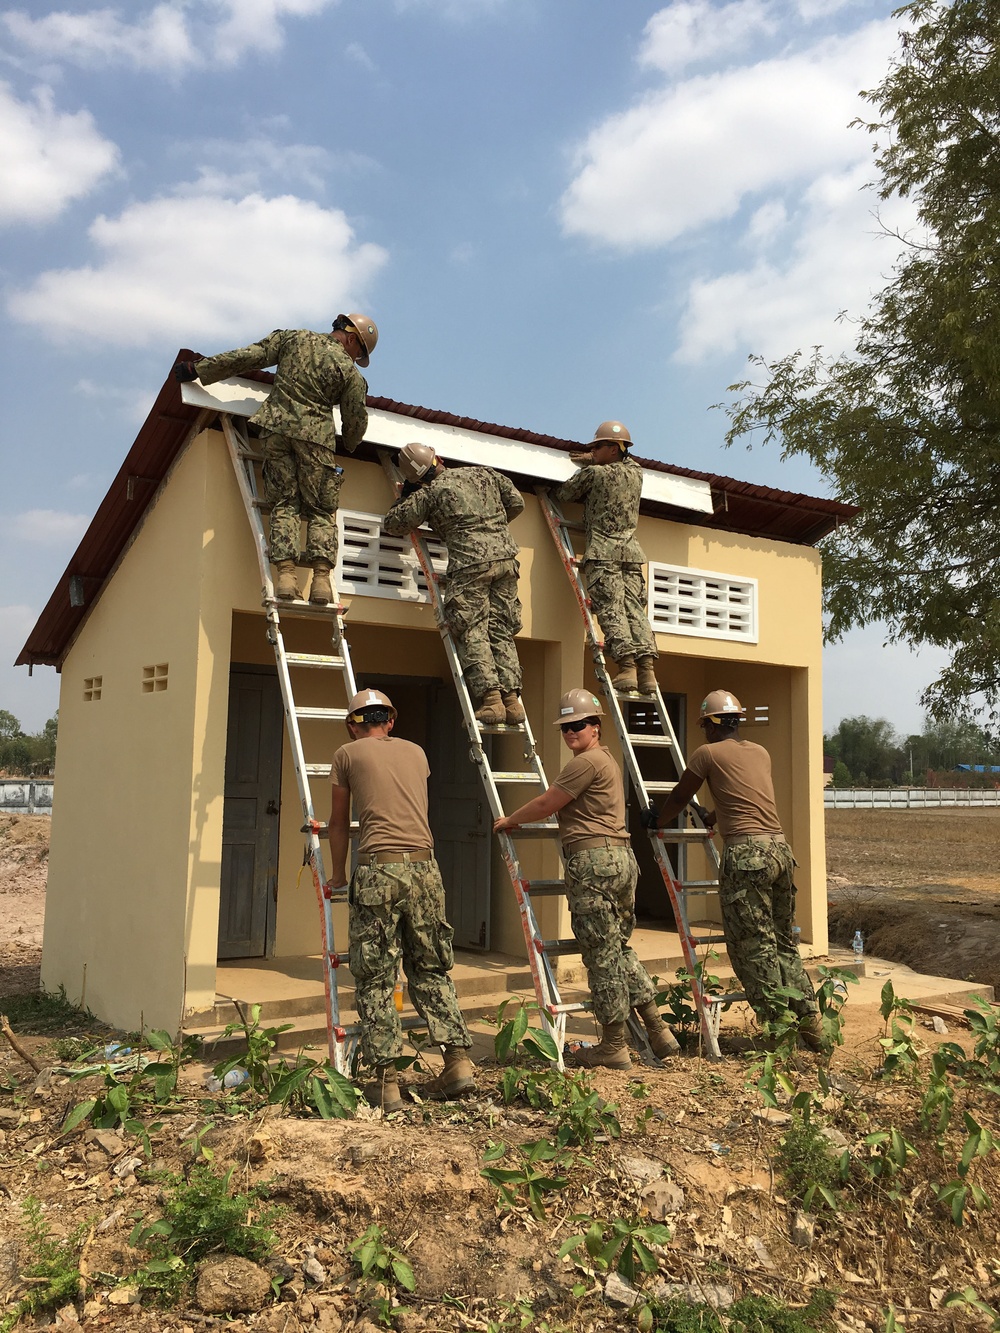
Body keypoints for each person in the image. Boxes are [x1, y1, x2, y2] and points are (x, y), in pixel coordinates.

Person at [493, 688, 680, 1068]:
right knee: (617, 948)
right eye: (566, 727)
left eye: (578, 725)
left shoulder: (585, 763)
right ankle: (659, 1031)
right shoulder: (606, 759)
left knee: (600, 954)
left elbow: (549, 803)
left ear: (596, 726)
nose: (570, 732)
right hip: (620, 859)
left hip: (594, 862)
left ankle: (613, 1044)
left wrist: (511, 819)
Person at [643, 689, 822, 1049]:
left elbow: (680, 796)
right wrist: (713, 815)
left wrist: (656, 820)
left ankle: (778, 1031)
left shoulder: (707, 753)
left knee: (753, 946)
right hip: (779, 851)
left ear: (710, 725)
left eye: (704, 725)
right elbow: (745, 797)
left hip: (747, 857)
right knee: (784, 941)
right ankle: (811, 1024)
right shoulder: (760, 752)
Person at [327, 688, 476, 1112]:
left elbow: (339, 823)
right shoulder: (417, 753)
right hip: (426, 870)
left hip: (379, 869)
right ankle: (458, 1062)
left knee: (375, 976)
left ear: (353, 724)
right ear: (390, 721)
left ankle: (386, 1081)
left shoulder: (346, 754)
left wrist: (338, 874)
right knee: (430, 967)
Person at [174, 313, 378, 605]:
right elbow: (355, 424)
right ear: (351, 338)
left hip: (275, 430)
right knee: (320, 510)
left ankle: (285, 576)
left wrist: (198, 369)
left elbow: (248, 356)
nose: (357, 357)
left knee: (284, 503)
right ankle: (321, 581)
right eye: (359, 352)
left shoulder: (293, 338)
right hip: (316, 440)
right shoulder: (351, 374)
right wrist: (351, 442)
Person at [383, 443, 526, 726]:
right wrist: (490, 528)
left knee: (472, 628)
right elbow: (516, 503)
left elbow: (394, 523)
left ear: (417, 478)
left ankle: (492, 701)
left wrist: (405, 496)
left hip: (471, 566)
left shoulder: (429, 493)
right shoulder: (485, 474)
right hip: (507, 560)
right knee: (500, 628)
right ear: (439, 459)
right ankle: (513, 702)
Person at [555, 421, 659, 695]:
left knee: (612, 609)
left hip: (604, 554)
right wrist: (597, 459)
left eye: (598, 446)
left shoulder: (596, 475)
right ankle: (647, 671)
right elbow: (629, 464)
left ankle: (626, 669)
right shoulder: (637, 473)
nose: (593, 450)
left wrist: (589, 465)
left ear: (614, 449)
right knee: (635, 611)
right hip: (631, 555)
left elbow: (565, 493)